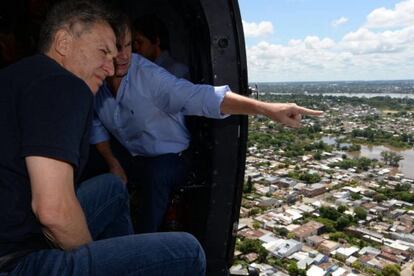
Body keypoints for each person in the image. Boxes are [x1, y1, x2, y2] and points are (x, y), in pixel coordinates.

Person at [0, 1, 206, 275]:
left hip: (15, 227)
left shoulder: (18, 75)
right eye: (103, 52)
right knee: (189, 251)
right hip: (16, 261)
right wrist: (94, 258)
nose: (110, 69)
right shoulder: (63, 84)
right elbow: (52, 211)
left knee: (113, 187)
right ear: (63, 42)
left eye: (116, 55)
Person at [90, 16, 323, 234]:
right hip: (130, 152)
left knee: (155, 176)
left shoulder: (150, 77)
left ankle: (142, 246)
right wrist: (112, 163)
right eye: (114, 48)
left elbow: (199, 97)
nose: (123, 56)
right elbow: (96, 124)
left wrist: (266, 109)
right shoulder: (93, 76)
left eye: (129, 46)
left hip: (170, 156)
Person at [132, 15, 189, 79]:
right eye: (133, 43)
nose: (135, 47)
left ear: (156, 41)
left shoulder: (176, 70)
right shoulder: (140, 71)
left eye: (140, 42)